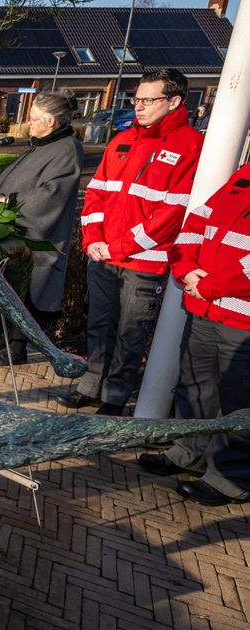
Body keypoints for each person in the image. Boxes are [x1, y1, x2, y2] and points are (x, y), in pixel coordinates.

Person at [59, 68, 204, 415]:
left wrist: (118, 247)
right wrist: (93, 240)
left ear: (173, 101)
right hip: (102, 255)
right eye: (136, 99)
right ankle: (91, 385)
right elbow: (96, 193)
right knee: (98, 324)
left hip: (144, 263)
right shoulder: (122, 140)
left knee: (130, 333)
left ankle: (114, 397)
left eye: (147, 100)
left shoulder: (191, 147)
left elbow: (171, 213)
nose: (138, 106)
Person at [136, 163, 250, 506]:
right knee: (196, 385)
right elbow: (196, 225)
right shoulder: (243, 174)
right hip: (206, 306)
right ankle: (190, 451)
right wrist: (185, 268)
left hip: (241, 319)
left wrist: (209, 285)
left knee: (238, 402)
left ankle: (232, 477)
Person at [0, 91, 84, 363]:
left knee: (26, 295)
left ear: (51, 121)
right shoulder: (39, 144)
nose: (29, 124)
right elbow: (16, 179)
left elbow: (53, 193)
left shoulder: (67, 149)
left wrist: (9, 201)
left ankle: (15, 349)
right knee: (10, 291)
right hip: (13, 234)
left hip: (37, 237)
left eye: (34, 119)